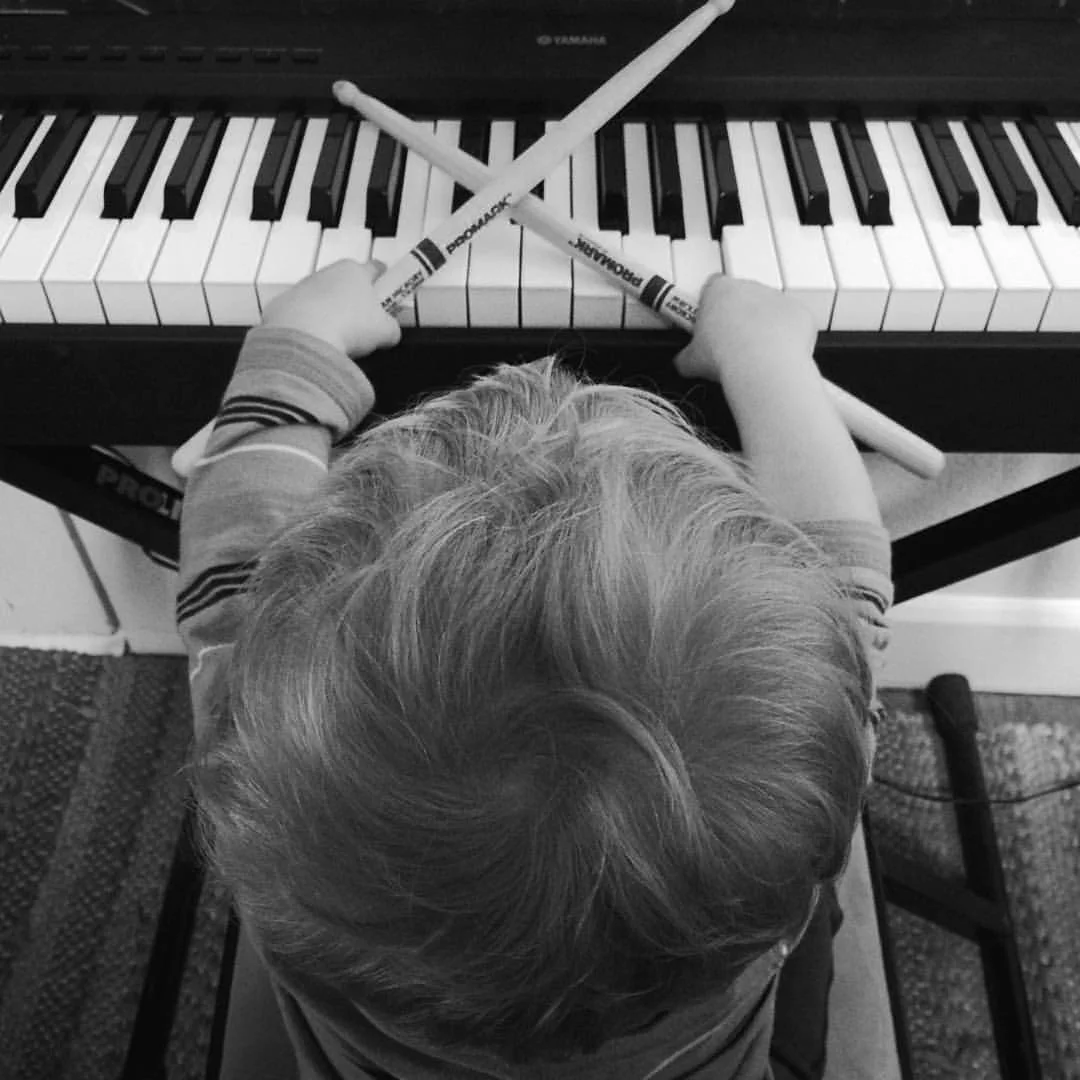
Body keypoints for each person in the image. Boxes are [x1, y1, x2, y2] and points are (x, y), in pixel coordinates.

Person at [178, 259, 892, 1080]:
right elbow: (844, 568)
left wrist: (296, 340)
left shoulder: (259, 748)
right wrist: (768, 360)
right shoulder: (809, 749)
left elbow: (237, 522)